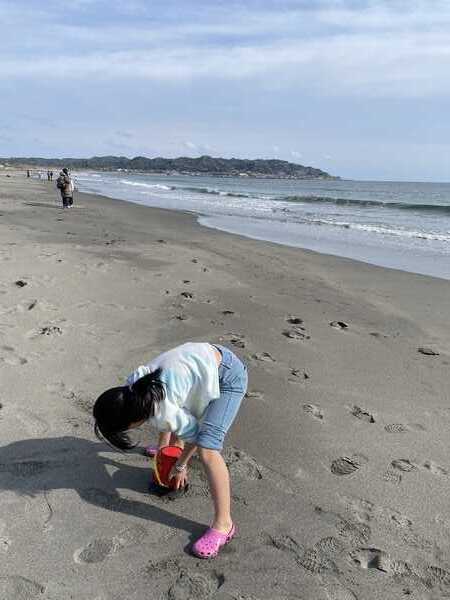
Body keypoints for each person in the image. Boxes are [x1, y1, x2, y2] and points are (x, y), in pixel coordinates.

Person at [93, 342, 248, 559]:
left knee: (207, 450)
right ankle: (169, 449)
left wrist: (180, 465)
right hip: (204, 360)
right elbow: (169, 410)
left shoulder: (160, 409)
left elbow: (194, 432)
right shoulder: (135, 386)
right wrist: (164, 449)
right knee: (176, 423)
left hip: (228, 377)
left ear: (131, 421)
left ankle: (224, 524)